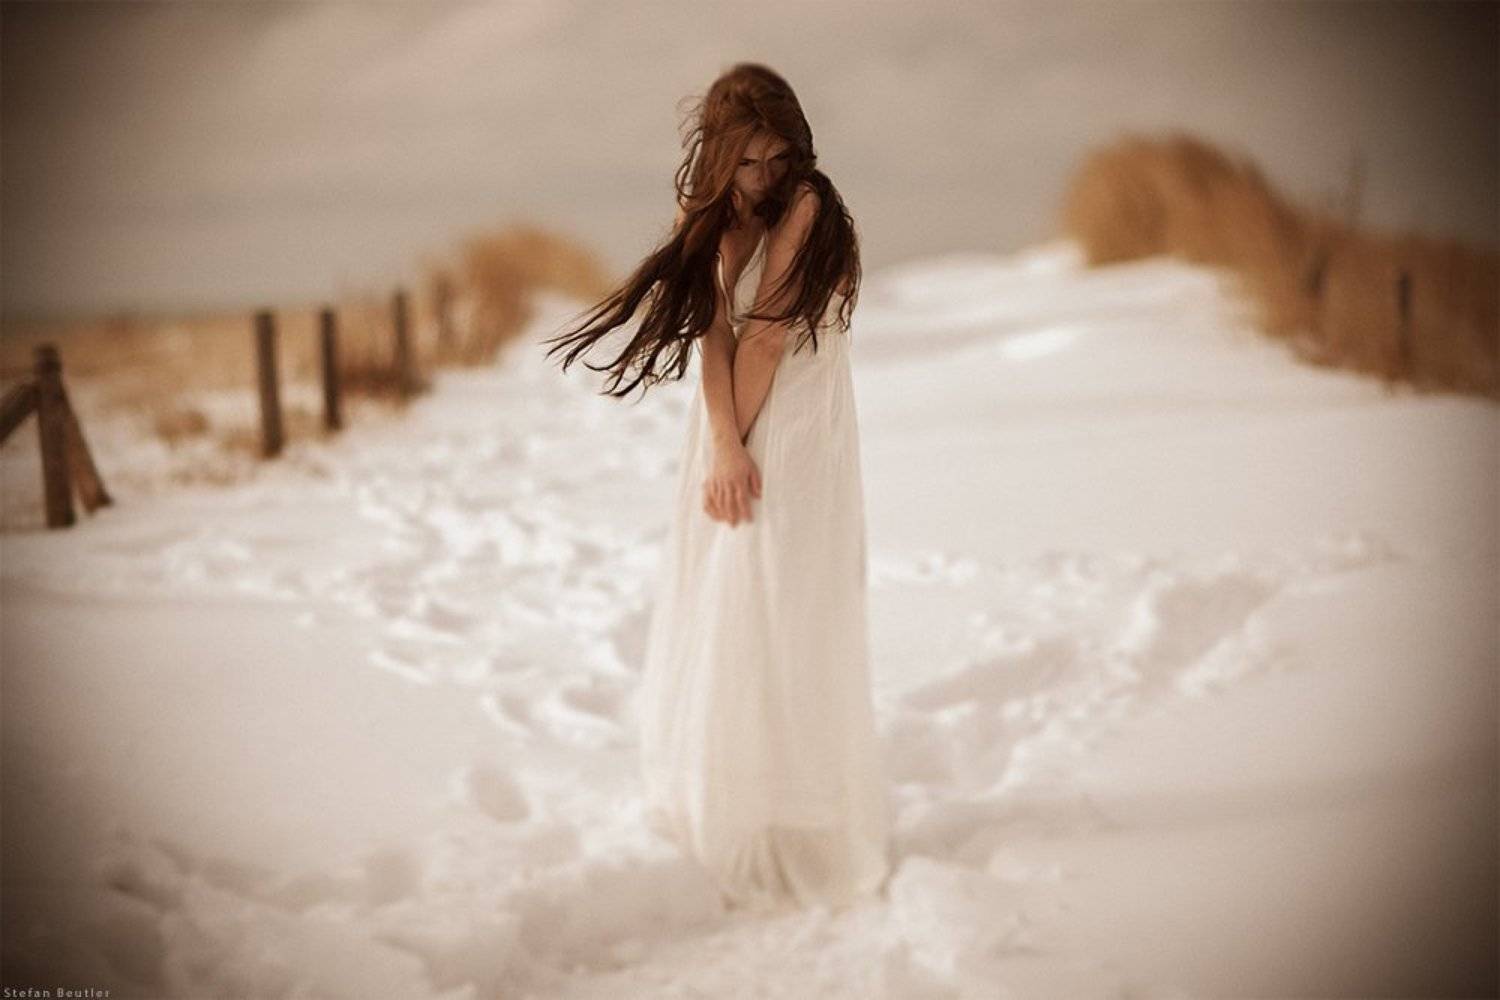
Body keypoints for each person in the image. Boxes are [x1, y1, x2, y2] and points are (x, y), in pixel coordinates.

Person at [542, 62, 893, 913]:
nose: (768, 178)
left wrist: (736, 449)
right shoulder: (709, 220)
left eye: (779, 158)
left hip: (794, 431)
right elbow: (714, 341)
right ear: (719, 156)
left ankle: (796, 820)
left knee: (785, 608)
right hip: (733, 425)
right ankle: (740, 809)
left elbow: (767, 343)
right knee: (728, 604)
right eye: (750, 162)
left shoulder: (809, 208)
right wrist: (723, 445)